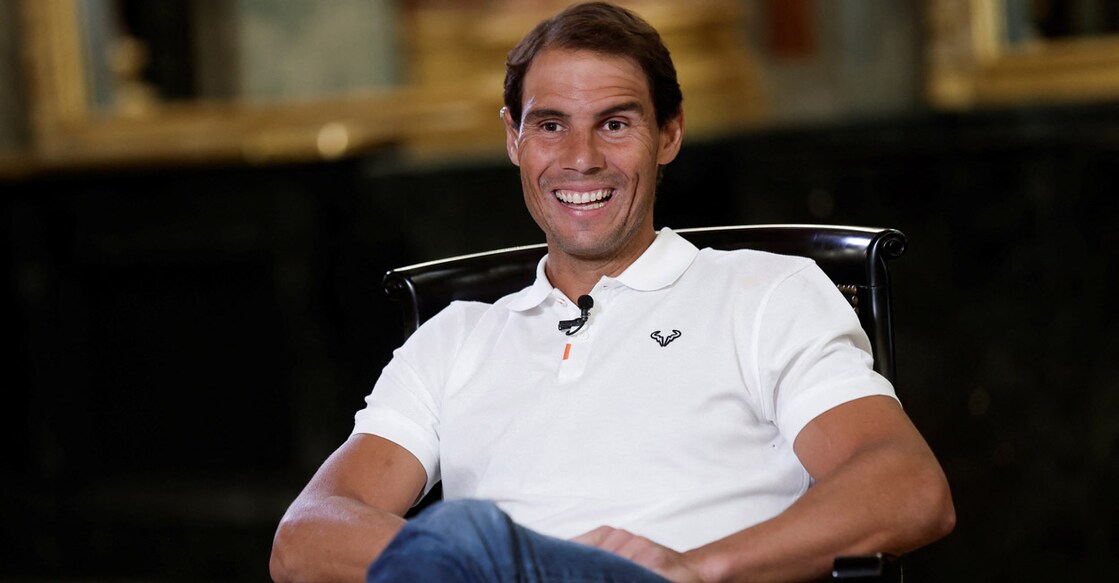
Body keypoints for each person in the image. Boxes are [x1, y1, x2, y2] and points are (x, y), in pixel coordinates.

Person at [269, 3, 955, 582]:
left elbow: (909, 487)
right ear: (513, 139)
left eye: (615, 123)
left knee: (465, 533)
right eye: (550, 125)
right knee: (464, 535)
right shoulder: (453, 339)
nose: (581, 159)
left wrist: (691, 569)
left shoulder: (764, 293)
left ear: (669, 134)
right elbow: (305, 535)